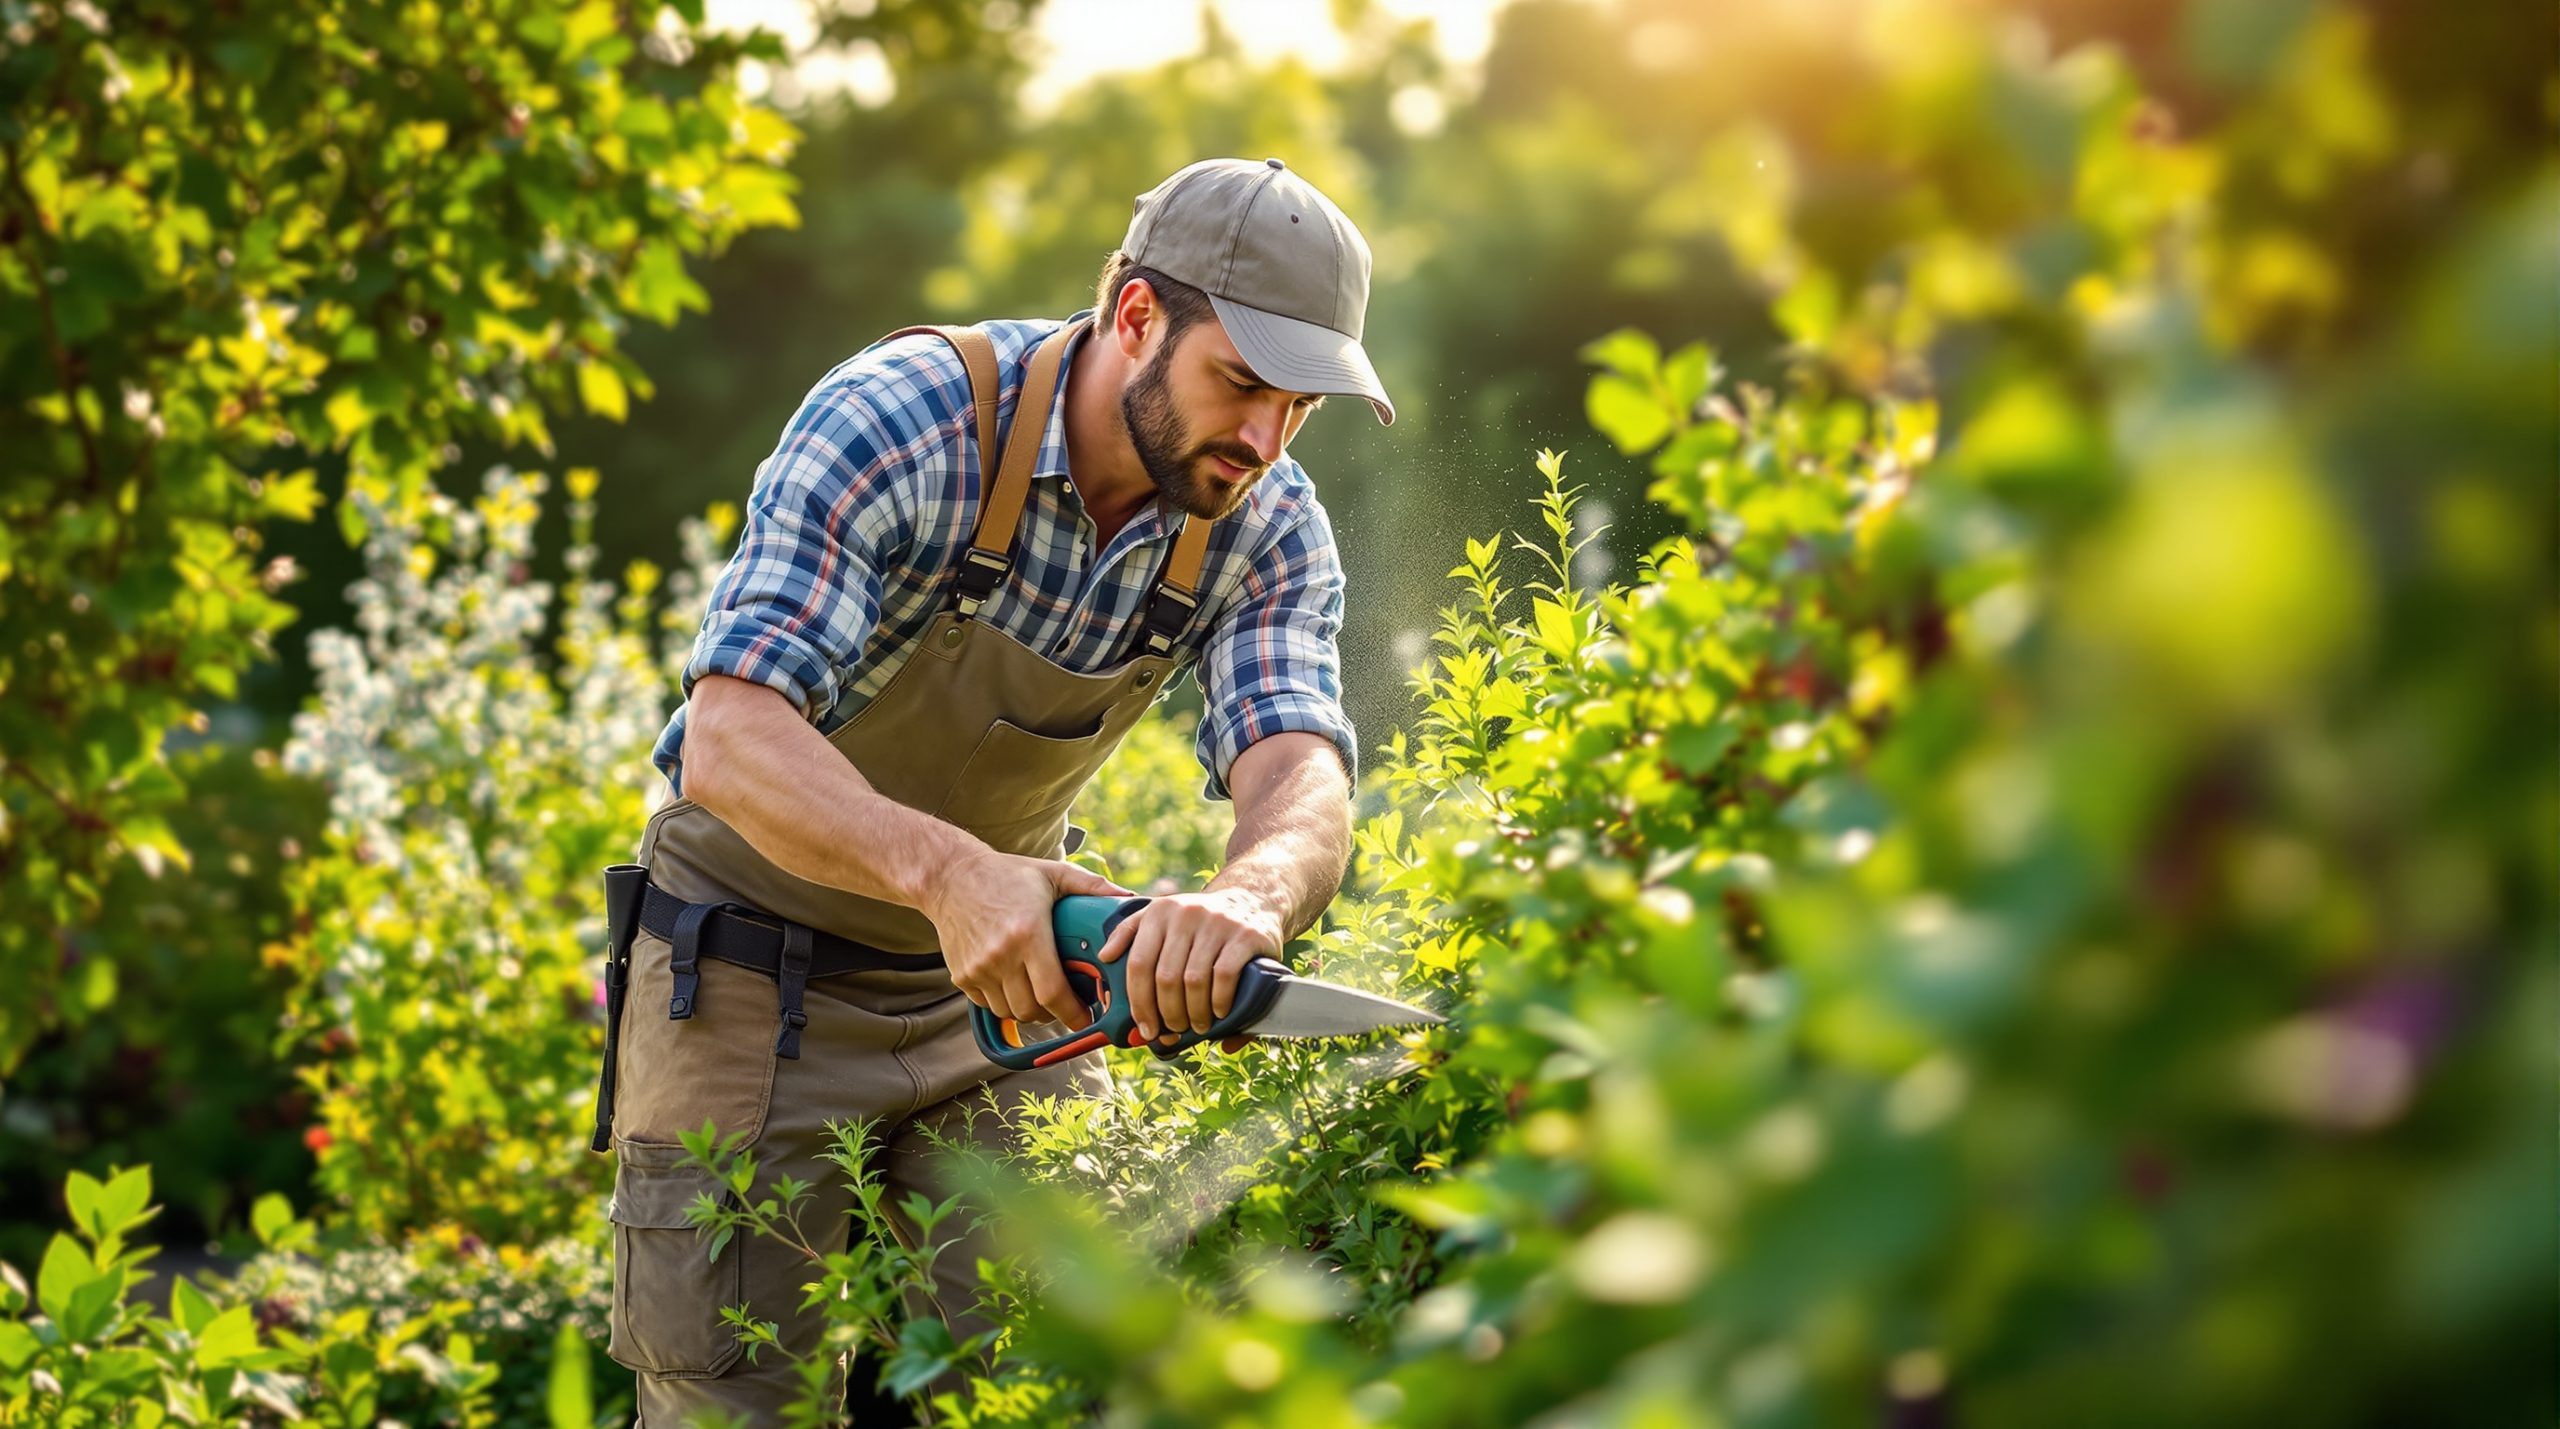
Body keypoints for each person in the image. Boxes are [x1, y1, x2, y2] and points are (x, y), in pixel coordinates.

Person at [590, 156, 1394, 1422]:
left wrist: (1249, 897)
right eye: (1241, 383)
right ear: (1137, 315)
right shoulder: (905, 420)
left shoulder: (1264, 520)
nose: (1264, 439)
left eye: (1301, 406)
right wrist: (950, 875)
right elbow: (729, 738)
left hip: (1007, 1006)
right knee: (734, 1394)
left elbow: (1299, 760)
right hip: (747, 977)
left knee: (1052, 1371)